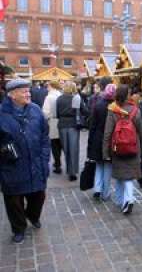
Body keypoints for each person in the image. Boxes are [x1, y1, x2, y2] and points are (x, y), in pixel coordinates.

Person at [0, 79, 50, 244]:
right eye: (24, 91)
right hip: (11, 165)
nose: (28, 94)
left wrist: (44, 158)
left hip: (36, 162)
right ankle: (18, 228)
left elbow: (44, 136)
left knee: (39, 195)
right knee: (14, 201)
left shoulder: (35, 110)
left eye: (28, 91)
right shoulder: (2, 114)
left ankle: (32, 215)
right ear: (12, 95)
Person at [103, 85, 142, 214]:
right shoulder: (135, 110)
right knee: (129, 175)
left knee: (120, 175)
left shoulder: (112, 110)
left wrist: (105, 152)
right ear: (127, 95)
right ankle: (126, 200)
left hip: (117, 148)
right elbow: (141, 131)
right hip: (132, 147)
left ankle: (125, 200)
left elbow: (108, 133)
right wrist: (139, 145)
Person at [89, 84, 116, 202]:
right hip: (110, 139)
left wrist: (90, 141)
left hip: (98, 138)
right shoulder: (116, 107)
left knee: (99, 165)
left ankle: (97, 189)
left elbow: (92, 125)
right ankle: (105, 193)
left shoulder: (98, 105)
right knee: (108, 166)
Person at [56, 81, 87, 181]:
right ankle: (72, 172)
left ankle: (69, 170)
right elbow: (85, 111)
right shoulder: (76, 98)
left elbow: (57, 114)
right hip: (73, 124)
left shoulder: (59, 98)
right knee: (73, 149)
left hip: (62, 125)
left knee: (66, 150)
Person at [42, 80, 63, 174]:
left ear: (51, 86)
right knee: (61, 144)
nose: (47, 88)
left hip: (53, 122)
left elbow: (45, 113)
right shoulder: (61, 95)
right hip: (62, 122)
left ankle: (57, 165)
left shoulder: (49, 97)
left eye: (48, 86)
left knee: (55, 145)